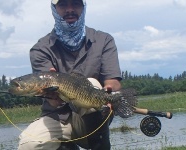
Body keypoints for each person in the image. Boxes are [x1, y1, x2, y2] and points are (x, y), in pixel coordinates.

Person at [18, 0, 122, 149]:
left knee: (92, 84)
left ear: (84, 7)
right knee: (30, 145)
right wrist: (53, 98)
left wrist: (110, 91)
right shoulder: (40, 49)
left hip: (94, 119)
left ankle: (98, 145)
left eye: (76, 4)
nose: (70, 9)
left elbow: (113, 82)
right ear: (54, 9)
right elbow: (52, 100)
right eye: (63, 5)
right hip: (57, 116)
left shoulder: (104, 40)